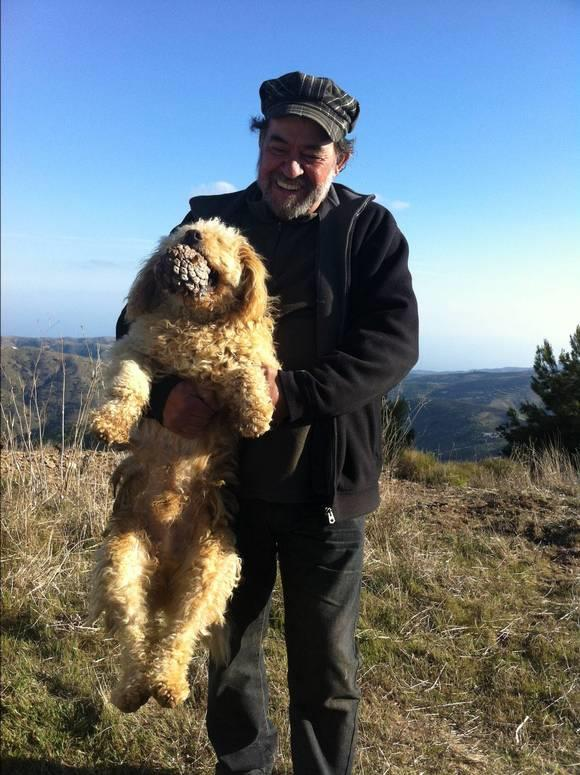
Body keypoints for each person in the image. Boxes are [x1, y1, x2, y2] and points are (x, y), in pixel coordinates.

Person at [118, 71, 418, 775]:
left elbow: (392, 344)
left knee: (328, 667)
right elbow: (137, 321)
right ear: (259, 144)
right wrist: (163, 400)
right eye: (276, 144)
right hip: (224, 488)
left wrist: (286, 394)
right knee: (227, 649)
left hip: (326, 491)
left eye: (309, 152)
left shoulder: (369, 229)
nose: (288, 166)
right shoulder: (206, 224)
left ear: (340, 159)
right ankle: (244, 764)